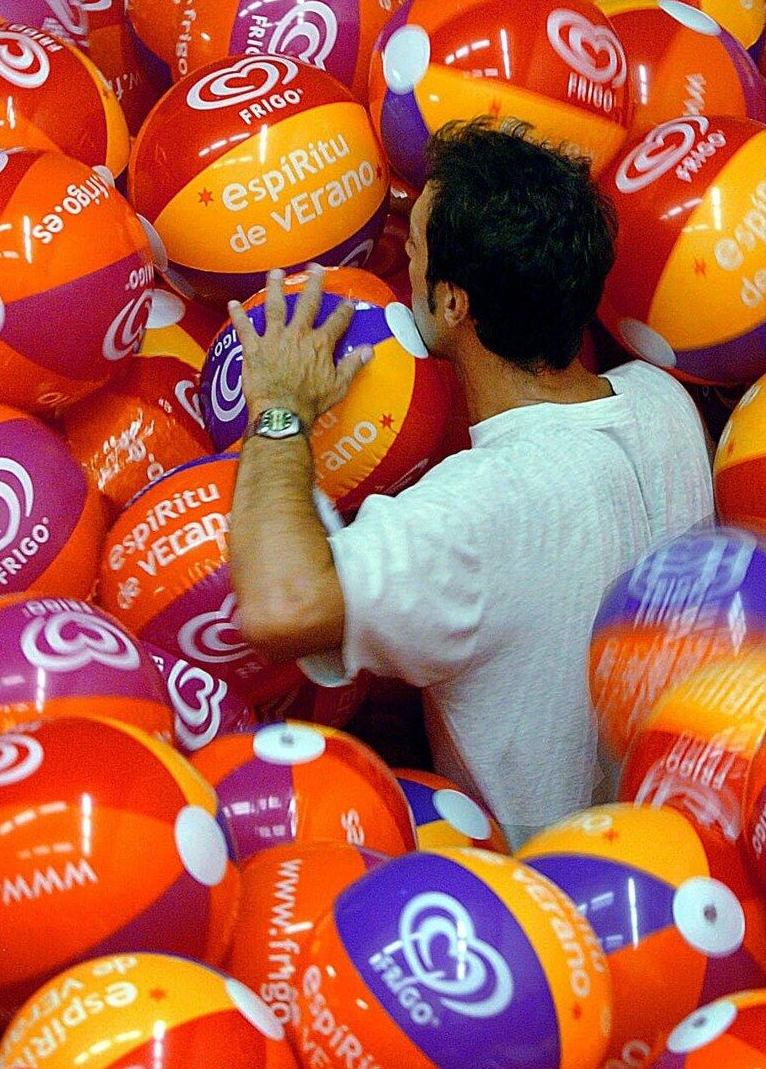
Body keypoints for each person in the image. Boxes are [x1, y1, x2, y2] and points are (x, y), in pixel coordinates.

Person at [227, 119, 714, 847]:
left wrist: (279, 411)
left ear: (454, 304)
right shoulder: (666, 403)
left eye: (414, 250)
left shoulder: (479, 510)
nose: (403, 271)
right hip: (668, 852)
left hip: (528, 894)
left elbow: (278, 608)